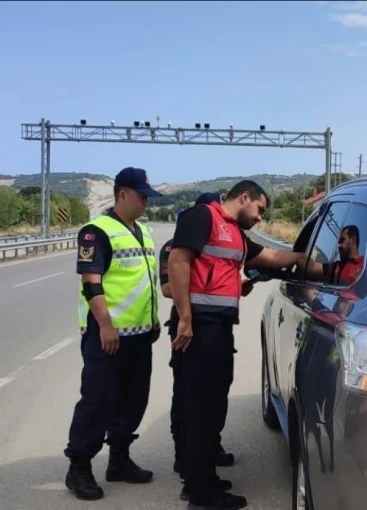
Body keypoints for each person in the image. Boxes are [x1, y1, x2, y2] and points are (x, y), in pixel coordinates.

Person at [168, 179, 304, 509]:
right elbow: (178, 261)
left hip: (215, 328)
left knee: (209, 405)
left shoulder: (233, 232)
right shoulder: (202, 217)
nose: (259, 218)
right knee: (202, 408)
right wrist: (185, 317)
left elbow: (267, 255)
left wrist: (305, 257)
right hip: (199, 328)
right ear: (244, 197)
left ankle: (200, 479)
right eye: (258, 209)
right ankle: (201, 494)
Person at [64, 167, 163, 501]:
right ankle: (78, 468)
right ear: (122, 194)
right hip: (107, 335)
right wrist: (105, 326)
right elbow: (92, 283)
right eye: (141, 195)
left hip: (139, 335)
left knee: (133, 400)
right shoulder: (97, 232)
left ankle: (119, 460)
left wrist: (153, 321)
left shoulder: (144, 232)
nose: (146, 201)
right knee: (99, 400)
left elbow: (144, 282)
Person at [158, 192, 239, 500]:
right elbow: (168, 287)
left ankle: (205, 455)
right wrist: (193, 298)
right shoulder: (174, 246)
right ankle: (186, 462)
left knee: (211, 398)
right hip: (186, 326)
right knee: (187, 398)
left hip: (209, 326)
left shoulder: (217, 240)